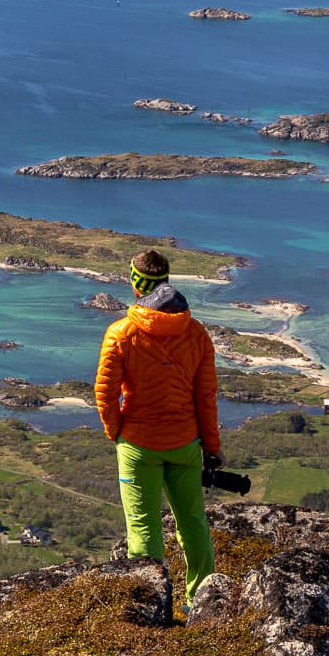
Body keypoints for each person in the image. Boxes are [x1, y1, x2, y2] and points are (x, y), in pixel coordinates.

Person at [94, 247, 221, 608]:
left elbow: (104, 393)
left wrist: (115, 432)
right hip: (185, 443)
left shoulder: (120, 333)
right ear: (165, 283)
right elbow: (206, 397)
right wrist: (211, 446)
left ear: (137, 284)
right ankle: (203, 601)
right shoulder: (196, 333)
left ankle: (151, 607)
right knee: (193, 523)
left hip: (137, 444)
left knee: (143, 528)